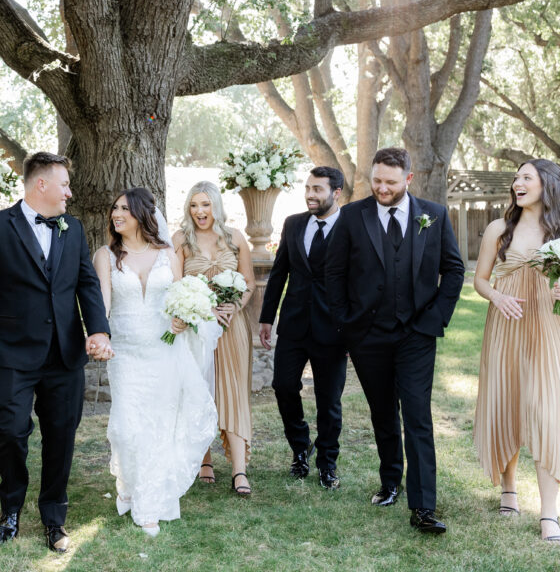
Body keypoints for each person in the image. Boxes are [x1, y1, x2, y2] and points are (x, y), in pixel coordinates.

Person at [0, 151, 111, 553]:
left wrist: (97, 330)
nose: (70, 192)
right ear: (40, 184)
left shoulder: (73, 228)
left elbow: (86, 285)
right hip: (12, 353)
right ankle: (10, 509)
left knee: (61, 436)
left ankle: (54, 518)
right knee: (11, 431)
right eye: (64, 184)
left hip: (64, 354)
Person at [326, 147, 464, 534]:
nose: (382, 188)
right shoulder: (352, 216)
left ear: (408, 178)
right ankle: (390, 483)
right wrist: (346, 322)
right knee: (383, 412)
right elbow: (333, 273)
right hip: (368, 335)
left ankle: (423, 508)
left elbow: (453, 271)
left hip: (416, 335)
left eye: (390, 181)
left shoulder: (434, 216)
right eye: (376, 181)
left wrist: (433, 321)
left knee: (417, 416)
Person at [92, 188, 217, 537]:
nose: (117, 214)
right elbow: (100, 304)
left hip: (165, 351)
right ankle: (131, 485)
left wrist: (183, 319)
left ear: (142, 215)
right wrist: (99, 336)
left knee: (158, 426)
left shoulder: (166, 253)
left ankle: (148, 504)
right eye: (114, 208)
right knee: (127, 428)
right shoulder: (105, 255)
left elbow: (181, 297)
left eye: (125, 209)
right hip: (127, 353)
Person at [473, 159, 560, 544]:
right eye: (517, 177)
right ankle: (509, 490)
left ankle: (550, 513)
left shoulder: (558, 231)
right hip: (505, 327)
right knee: (507, 403)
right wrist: (496, 296)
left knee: (546, 413)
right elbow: (480, 279)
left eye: (527, 177)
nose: (517, 183)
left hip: (547, 327)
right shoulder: (498, 228)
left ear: (547, 184)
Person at [259, 167, 348, 489]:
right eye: (308, 188)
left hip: (334, 330)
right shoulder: (294, 223)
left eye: (318, 189)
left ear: (336, 192)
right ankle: (300, 448)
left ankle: (327, 463)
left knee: (329, 400)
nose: (310, 194)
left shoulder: (352, 226)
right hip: (294, 325)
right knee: (283, 386)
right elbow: (279, 272)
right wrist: (267, 318)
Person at [172, 181, 255, 496]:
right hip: (197, 329)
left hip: (232, 327)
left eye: (205, 205)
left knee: (233, 392)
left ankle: (239, 469)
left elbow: (248, 282)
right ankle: (204, 460)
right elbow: (176, 286)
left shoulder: (235, 239)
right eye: (194, 205)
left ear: (216, 206)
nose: (199, 211)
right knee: (200, 389)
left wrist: (235, 305)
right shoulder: (181, 240)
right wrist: (202, 309)